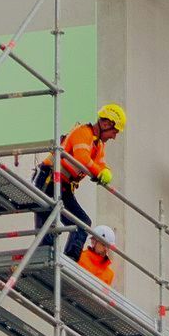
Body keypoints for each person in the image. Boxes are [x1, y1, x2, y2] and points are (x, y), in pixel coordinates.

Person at [34, 103, 125, 258]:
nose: (114, 136)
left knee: (82, 223)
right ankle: (46, 257)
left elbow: (100, 163)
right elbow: (81, 157)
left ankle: (70, 260)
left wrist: (105, 171)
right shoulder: (83, 132)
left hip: (64, 186)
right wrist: (99, 171)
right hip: (49, 180)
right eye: (114, 131)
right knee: (48, 224)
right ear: (105, 124)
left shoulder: (99, 145)